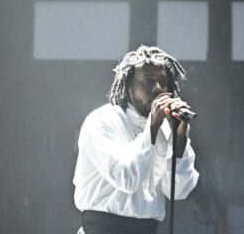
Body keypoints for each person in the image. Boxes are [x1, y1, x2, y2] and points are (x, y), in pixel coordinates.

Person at [73, 45, 199, 234]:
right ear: (128, 85)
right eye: (149, 81)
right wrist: (152, 128)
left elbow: (178, 191)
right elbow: (126, 178)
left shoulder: (163, 132)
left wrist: (180, 139)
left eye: (163, 82)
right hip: (106, 228)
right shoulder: (102, 121)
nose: (158, 89)